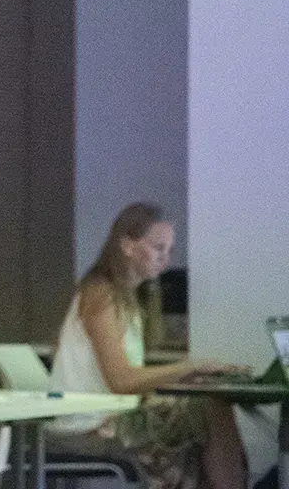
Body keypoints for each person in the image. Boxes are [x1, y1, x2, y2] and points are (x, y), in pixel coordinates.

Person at [48, 202, 247, 489]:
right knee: (208, 408)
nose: (165, 258)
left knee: (205, 406)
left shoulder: (125, 296)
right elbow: (121, 380)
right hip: (86, 425)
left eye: (169, 250)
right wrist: (189, 367)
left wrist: (192, 375)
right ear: (128, 246)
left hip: (106, 416)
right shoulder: (101, 294)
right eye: (158, 248)